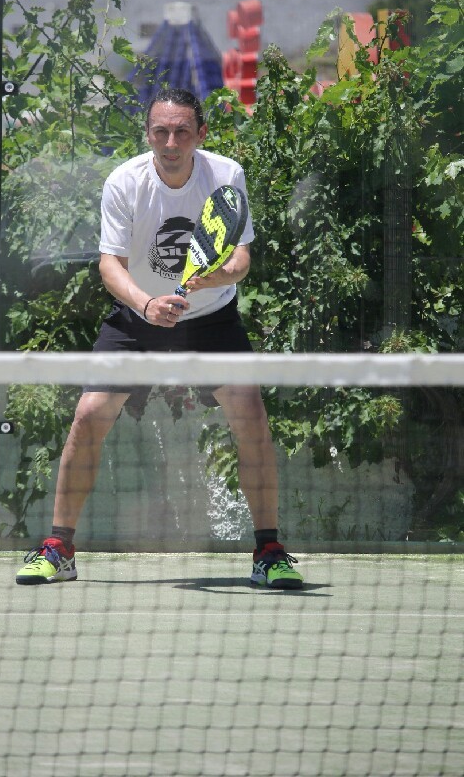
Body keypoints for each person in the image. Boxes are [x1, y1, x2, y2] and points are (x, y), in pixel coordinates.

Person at [16, 87, 303, 590]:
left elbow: (240, 260)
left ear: (201, 134)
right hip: (135, 320)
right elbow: (110, 265)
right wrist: (147, 304)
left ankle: (268, 551)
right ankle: (59, 548)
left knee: (252, 416)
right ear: (148, 134)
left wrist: (211, 278)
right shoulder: (124, 182)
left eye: (182, 132)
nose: (171, 143)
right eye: (161, 132)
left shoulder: (225, 175)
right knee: (88, 414)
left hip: (212, 322)